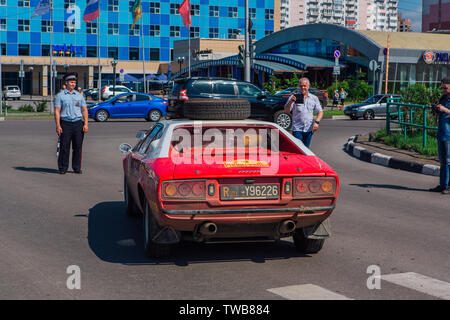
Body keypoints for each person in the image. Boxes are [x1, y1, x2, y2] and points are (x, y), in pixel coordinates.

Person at [54, 72, 88, 174]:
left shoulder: (79, 96)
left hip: (78, 123)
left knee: (78, 147)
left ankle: (76, 167)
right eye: (71, 82)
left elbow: (84, 110)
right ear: (66, 83)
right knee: (64, 147)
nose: (73, 84)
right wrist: (58, 125)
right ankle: (63, 168)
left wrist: (86, 124)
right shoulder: (60, 96)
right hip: (65, 124)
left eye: (74, 82)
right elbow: (57, 111)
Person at [284, 77, 323, 148]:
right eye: (301, 86)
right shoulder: (294, 97)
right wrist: (291, 102)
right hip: (297, 129)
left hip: (309, 129)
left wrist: (317, 122)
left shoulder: (314, 98)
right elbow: (286, 110)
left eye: (304, 86)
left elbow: (320, 111)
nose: (303, 87)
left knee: (306, 150)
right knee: (298, 150)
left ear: (308, 86)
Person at [429, 77, 450, 194]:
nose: (443, 90)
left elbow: (447, 111)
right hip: (441, 133)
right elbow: (441, 110)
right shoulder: (443, 98)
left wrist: (444, 109)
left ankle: (448, 186)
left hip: (449, 134)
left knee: (449, 161)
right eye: (442, 87)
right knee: (442, 161)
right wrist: (436, 109)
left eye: (445, 87)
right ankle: (442, 185)